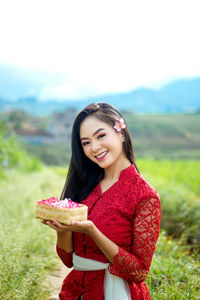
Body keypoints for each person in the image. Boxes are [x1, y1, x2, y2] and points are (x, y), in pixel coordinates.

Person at [41, 102, 161, 300]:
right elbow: (69, 261)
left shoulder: (145, 196)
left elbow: (139, 272)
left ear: (121, 133)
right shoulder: (84, 185)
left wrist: (92, 231)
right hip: (74, 292)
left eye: (100, 136)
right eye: (86, 142)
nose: (95, 147)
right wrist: (62, 232)